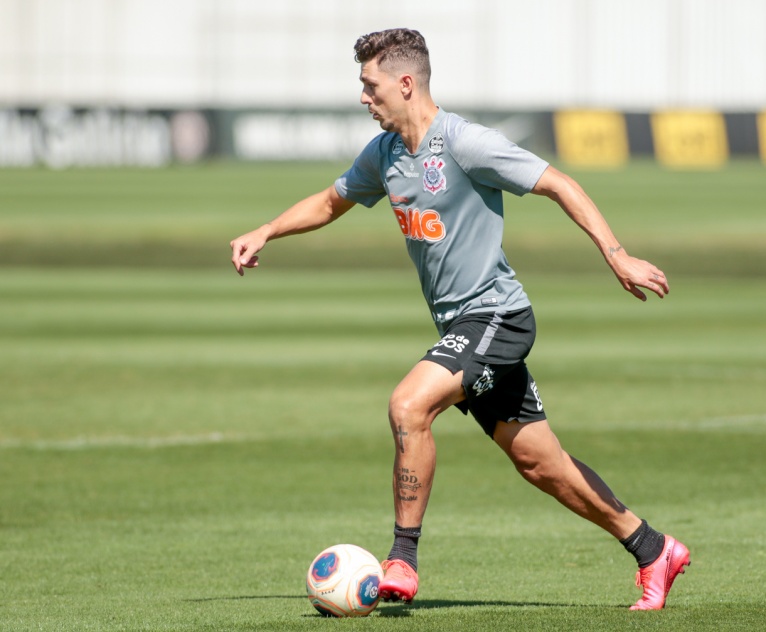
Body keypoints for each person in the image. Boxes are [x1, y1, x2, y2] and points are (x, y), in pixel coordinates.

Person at [230, 28, 689, 611]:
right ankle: (654, 548)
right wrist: (265, 230)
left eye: (370, 87)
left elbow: (558, 184)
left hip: (498, 316)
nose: (363, 98)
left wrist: (616, 254)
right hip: (461, 329)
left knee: (408, 404)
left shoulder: (466, 142)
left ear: (404, 83)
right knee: (540, 464)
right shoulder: (385, 154)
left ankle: (402, 557)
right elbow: (329, 201)